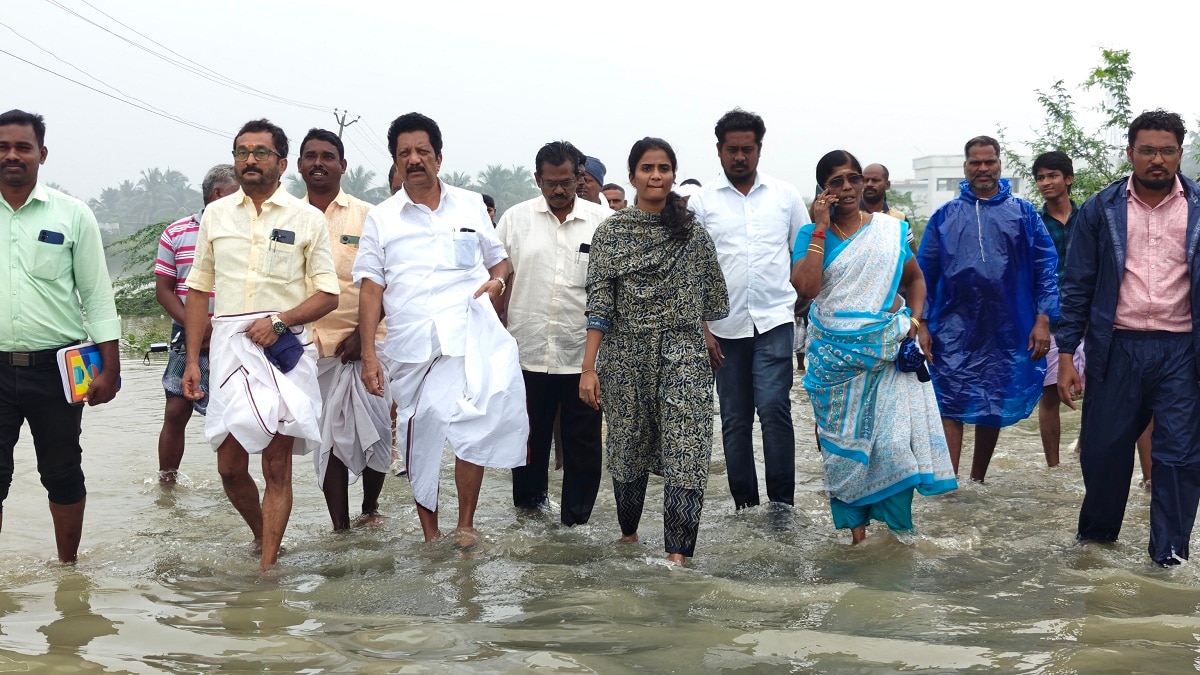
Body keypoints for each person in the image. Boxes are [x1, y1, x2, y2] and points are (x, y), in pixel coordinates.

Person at [355, 112, 527, 545]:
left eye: (422, 152)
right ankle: (431, 535)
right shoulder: (381, 218)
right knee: (422, 433)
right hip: (413, 348)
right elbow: (372, 290)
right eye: (404, 154)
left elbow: (499, 260)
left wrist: (498, 282)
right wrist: (369, 355)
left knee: (475, 425)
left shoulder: (470, 204)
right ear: (395, 163)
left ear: (439, 158)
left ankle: (465, 525)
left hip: (470, 337)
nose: (414, 160)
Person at [182, 119, 339, 571]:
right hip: (230, 346)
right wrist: (193, 359)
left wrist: (280, 321)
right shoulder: (215, 215)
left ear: (282, 163)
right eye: (242, 152)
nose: (250, 160)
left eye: (261, 152)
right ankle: (263, 534)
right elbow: (197, 291)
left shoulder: (306, 218)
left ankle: (267, 571)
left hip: (282, 348)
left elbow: (328, 294)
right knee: (229, 466)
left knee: (276, 466)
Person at [1057, 109, 1200, 566]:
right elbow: (1077, 283)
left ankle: (1169, 559)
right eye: (1147, 150)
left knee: (1178, 458)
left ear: (1180, 152)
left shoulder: (1198, 209)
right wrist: (1065, 355)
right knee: (1103, 454)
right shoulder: (1101, 209)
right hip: (1117, 347)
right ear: (1130, 153)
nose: (1157, 159)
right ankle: (1096, 551)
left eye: (1167, 150)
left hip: (1182, 350)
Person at [791, 150, 957, 542]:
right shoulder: (810, 235)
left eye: (853, 178)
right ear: (823, 190)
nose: (847, 188)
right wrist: (819, 226)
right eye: (836, 182)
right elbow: (806, 288)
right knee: (841, 451)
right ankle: (857, 539)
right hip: (834, 362)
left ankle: (899, 542)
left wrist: (915, 322)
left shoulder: (888, 229)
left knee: (895, 446)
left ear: (864, 182)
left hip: (886, 355)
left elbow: (916, 280)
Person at [579, 137, 729, 565]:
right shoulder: (611, 233)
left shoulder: (694, 236)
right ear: (632, 177)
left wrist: (703, 333)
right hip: (626, 354)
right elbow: (600, 304)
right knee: (627, 446)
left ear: (673, 175)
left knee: (687, 446)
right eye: (647, 168)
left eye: (664, 168)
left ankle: (678, 554)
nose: (656, 175)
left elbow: (710, 299)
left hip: (684, 353)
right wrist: (588, 368)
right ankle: (629, 534)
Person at [0, 109, 122, 563]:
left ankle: (68, 570)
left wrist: (111, 367)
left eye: (22, 147)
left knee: (63, 471)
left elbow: (98, 295)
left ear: (41, 154)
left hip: (57, 370)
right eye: (2, 147)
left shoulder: (73, 215)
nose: (12, 156)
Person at [917, 135, 1059, 483]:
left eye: (989, 161)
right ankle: (948, 486)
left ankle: (977, 480)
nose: (983, 168)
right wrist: (920, 323)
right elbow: (923, 273)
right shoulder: (944, 217)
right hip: (951, 325)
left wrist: (1044, 319)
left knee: (992, 401)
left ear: (999, 163)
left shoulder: (1024, 214)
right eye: (975, 162)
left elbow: (1045, 267)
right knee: (948, 399)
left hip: (1008, 326)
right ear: (965, 167)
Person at [689, 108, 805, 510]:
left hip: (774, 319)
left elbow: (802, 253)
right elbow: (691, 271)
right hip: (723, 327)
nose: (740, 157)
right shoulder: (701, 203)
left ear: (759, 150)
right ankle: (745, 506)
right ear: (719, 151)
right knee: (735, 418)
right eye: (732, 150)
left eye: (748, 149)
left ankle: (782, 505)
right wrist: (702, 327)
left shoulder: (785, 196)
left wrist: (799, 305)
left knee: (775, 408)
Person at [496, 141, 607, 525]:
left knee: (583, 446)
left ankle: (576, 526)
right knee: (527, 442)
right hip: (526, 352)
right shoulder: (514, 220)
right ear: (537, 179)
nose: (558, 191)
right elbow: (496, 279)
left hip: (583, 357)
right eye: (549, 183)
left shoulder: (601, 222)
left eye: (565, 182)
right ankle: (530, 519)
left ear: (578, 177)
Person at [297, 128, 392, 531]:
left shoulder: (369, 216)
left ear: (342, 165)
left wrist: (364, 335)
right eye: (311, 156)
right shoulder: (288, 216)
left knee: (377, 431)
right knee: (328, 438)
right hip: (308, 347)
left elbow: (388, 278)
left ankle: (370, 509)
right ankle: (339, 528)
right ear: (299, 165)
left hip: (368, 345)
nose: (319, 163)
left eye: (327, 156)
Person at [153, 164, 238, 485]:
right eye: (237, 193)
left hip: (233, 335)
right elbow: (164, 289)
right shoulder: (177, 233)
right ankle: (167, 481)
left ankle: (231, 480)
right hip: (185, 333)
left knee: (231, 413)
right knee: (176, 410)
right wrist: (196, 324)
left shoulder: (245, 234)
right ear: (218, 194)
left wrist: (220, 327)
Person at [1031, 151, 1082, 469]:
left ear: (1068, 179)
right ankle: (1053, 466)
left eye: (1052, 175)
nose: (1046, 182)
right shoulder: (1033, 224)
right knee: (1049, 394)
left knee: (1098, 394)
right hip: (1049, 320)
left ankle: (1084, 453)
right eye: (1040, 177)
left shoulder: (1089, 218)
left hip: (1088, 318)